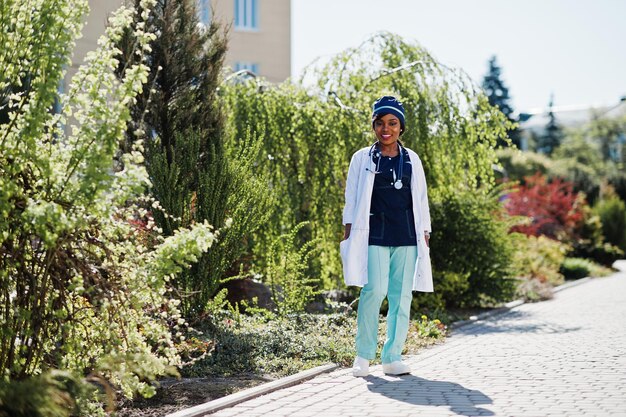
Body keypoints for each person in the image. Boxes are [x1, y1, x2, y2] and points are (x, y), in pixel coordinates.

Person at [340, 96, 433, 377]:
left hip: (406, 235)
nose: (386, 129)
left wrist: (425, 234)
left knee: (401, 296)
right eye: (380, 123)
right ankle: (364, 356)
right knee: (374, 292)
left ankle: (392, 357)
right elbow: (351, 197)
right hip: (373, 235)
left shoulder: (412, 159)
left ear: (401, 127)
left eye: (392, 123)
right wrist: (347, 235)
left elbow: (420, 198)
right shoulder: (361, 158)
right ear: (374, 126)